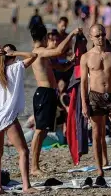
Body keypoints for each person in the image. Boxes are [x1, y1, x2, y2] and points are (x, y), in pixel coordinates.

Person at [80, 24, 111, 186]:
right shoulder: (86, 57)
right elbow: (83, 82)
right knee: (97, 134)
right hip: (95, 97)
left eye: (102, 35)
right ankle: (100, 168)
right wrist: (84, 104)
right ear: (91, 37)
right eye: (97, 36)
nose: (100, 38)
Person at [0, 44, 38, 195]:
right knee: (23, 151)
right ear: (12, 57)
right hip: (7, 116)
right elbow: (33, 56)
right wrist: (16, 52)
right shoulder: (16, 68)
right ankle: (26, 186)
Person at [29, 24, 81, 175]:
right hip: (44, 94)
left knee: (44, 131)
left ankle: (35, 165)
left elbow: (61, 67)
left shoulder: (44, 55)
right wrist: (71, 34)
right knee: (39, 131)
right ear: (44, 38)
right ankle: (33, 167)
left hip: (50, 94)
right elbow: (58, 51)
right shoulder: (39, 52)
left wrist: (72, 62)